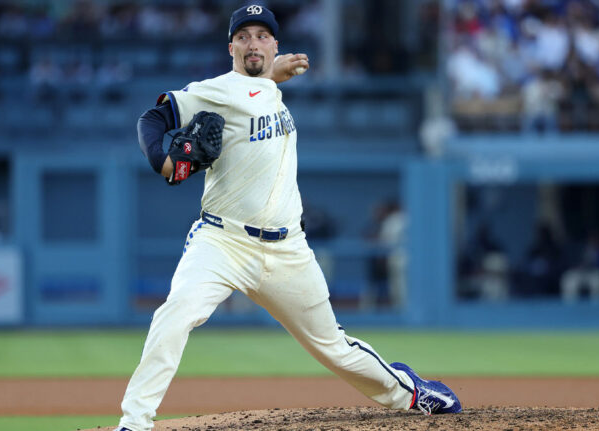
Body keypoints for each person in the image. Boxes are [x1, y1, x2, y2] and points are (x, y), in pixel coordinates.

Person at [116, 6, 461, 431]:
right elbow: (153, 117)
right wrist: (163, 161)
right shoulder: (216, 90)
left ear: (274, 44)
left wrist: (270, 75)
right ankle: (134, 422)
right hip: (223, 242)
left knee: (332, 346)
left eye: (262, 35)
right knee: (174, 315)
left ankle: (410, 392)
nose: (253, 42)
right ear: (231, 47)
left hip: (288, 250)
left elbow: (256, 91)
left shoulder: (267, 84)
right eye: (244, 36)